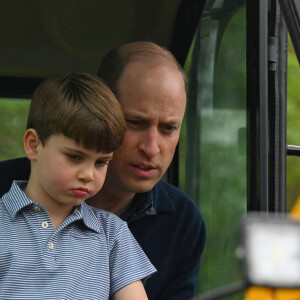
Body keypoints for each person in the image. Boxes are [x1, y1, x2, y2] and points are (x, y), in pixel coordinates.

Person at [0, 42, 206, 299]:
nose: (152, 148)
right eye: (135, 122)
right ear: (102, 114)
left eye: (168, 128)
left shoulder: (180, 223)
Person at [0, 73, 156, 299]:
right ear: (33, 145)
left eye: (101, 162)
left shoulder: (112, 234)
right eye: (74, 157)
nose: (88, 174)